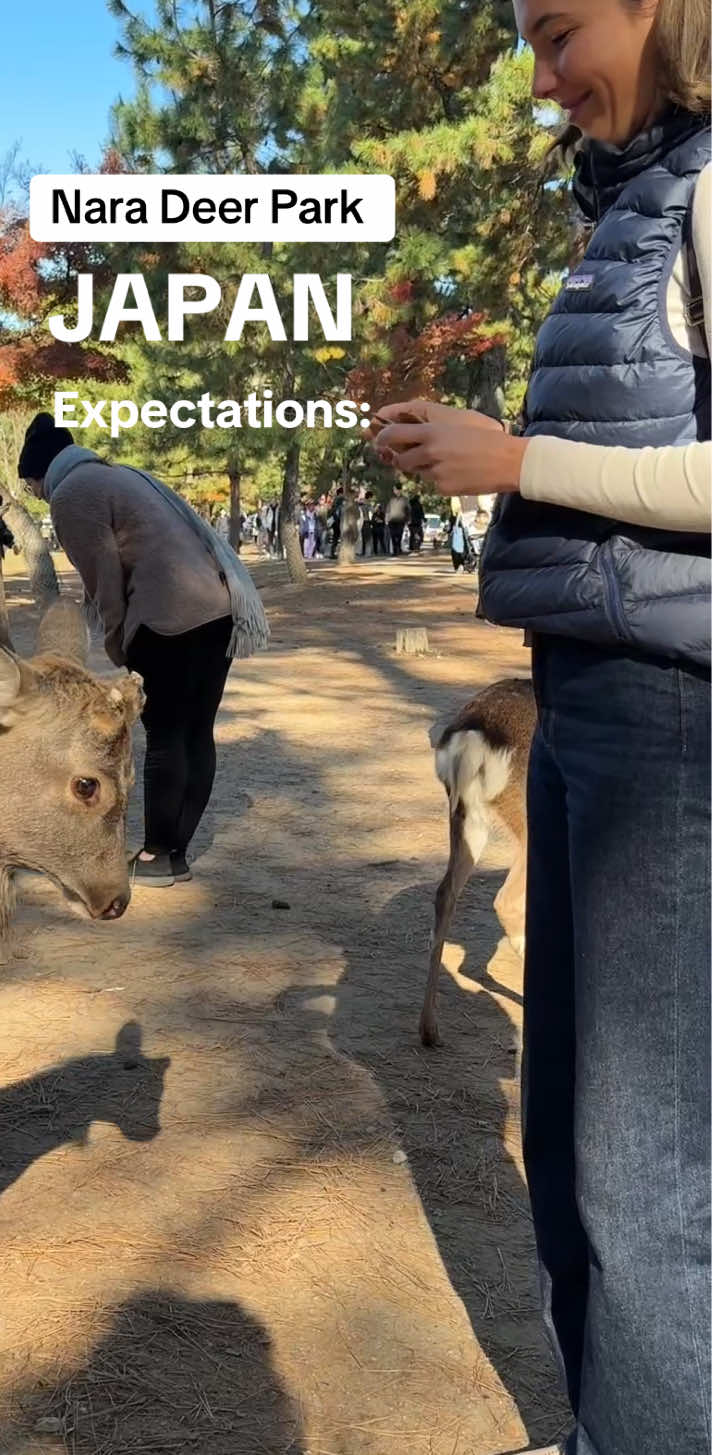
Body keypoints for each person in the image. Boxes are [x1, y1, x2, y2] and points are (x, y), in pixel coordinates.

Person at [372, 4, 710, 1452]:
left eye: (559, 29)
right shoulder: (638, 200)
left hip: (676, 723)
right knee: (574, 1142)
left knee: (650, 1174)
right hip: (582, 691)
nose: (538, 76)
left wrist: (517, 459)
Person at [18, 412, 269, 888]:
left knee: (166, 736)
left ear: (38, 474)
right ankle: (176, 852)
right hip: (217, 608)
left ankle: (157, 854)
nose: (34, 494)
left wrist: (117, 642)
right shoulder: (115, 475)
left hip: (168, 617)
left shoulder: (72, 493)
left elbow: (104, 578)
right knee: (197, 731)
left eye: (30, 485)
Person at [385, 483, 408, 554]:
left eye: (395, 489)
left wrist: (408, 519)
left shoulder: (404, 499)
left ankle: (398, 548)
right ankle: (395, 550)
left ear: (399, 490)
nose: (394, 491)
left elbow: (408, 509)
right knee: (393, 535)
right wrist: (386, 518)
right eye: (393, 489)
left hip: (401, 520)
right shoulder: (391, 499)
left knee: (399, 535)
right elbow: (388, 509)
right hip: (392, 520)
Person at [328, 486, 344, 557]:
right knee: (340, 538)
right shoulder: (340, 499)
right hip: (338, 522)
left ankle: (332, 553)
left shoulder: (335, 500)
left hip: (335, 522)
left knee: (335, 538)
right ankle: (339, 553)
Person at [360, 489, 375, 555]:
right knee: (368, 537)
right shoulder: (368, 504)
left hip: (360, 522)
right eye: (371, 498)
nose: (371, 499)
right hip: (366, 521)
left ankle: (362, 551)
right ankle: (368, 552)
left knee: (362, 537)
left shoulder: (360, 502)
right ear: (369, 497)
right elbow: (373, 511)